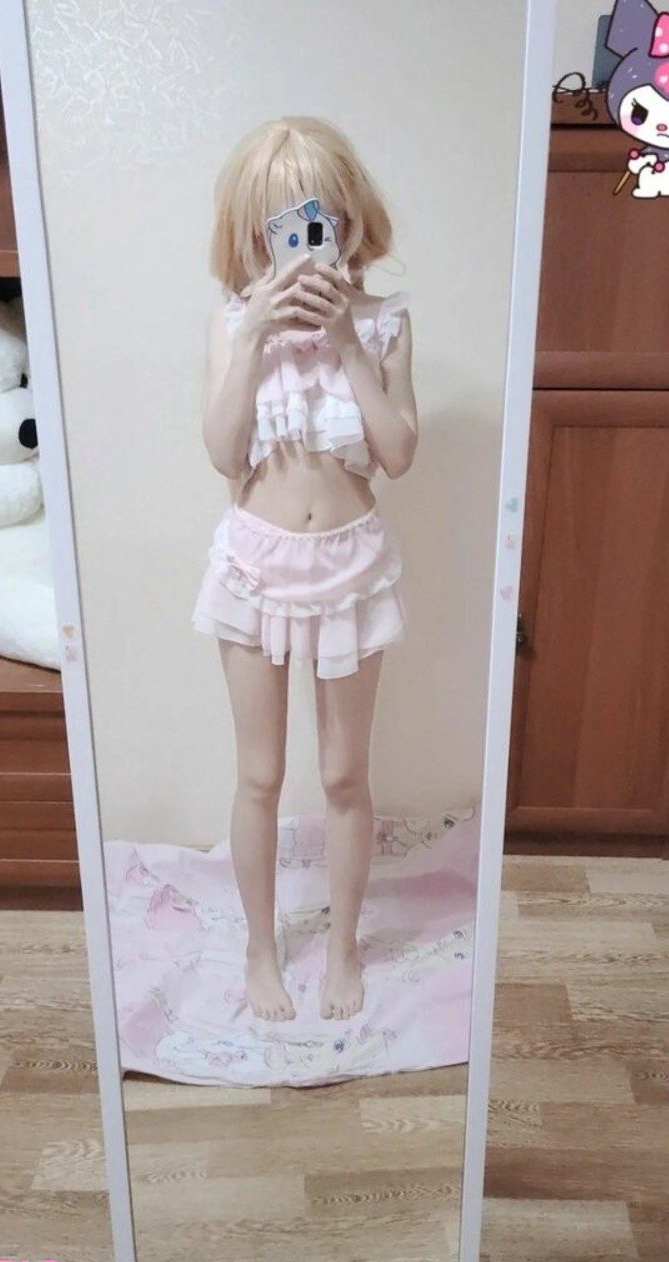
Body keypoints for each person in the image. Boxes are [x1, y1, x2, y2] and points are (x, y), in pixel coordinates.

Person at [193, 117, 417, 1022]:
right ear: (254, 234)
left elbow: (398, 453)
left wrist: (350, 344)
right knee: (258, 776)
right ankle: (261, 949)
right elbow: (222, 453)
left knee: (344, 776)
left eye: (318, 221)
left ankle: (344, 947)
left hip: (351, 568)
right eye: (281, 227)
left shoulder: (386, 323)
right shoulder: (232, 326)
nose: (303, 246)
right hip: (255, 564)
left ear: (350, 220)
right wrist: (253, 337)